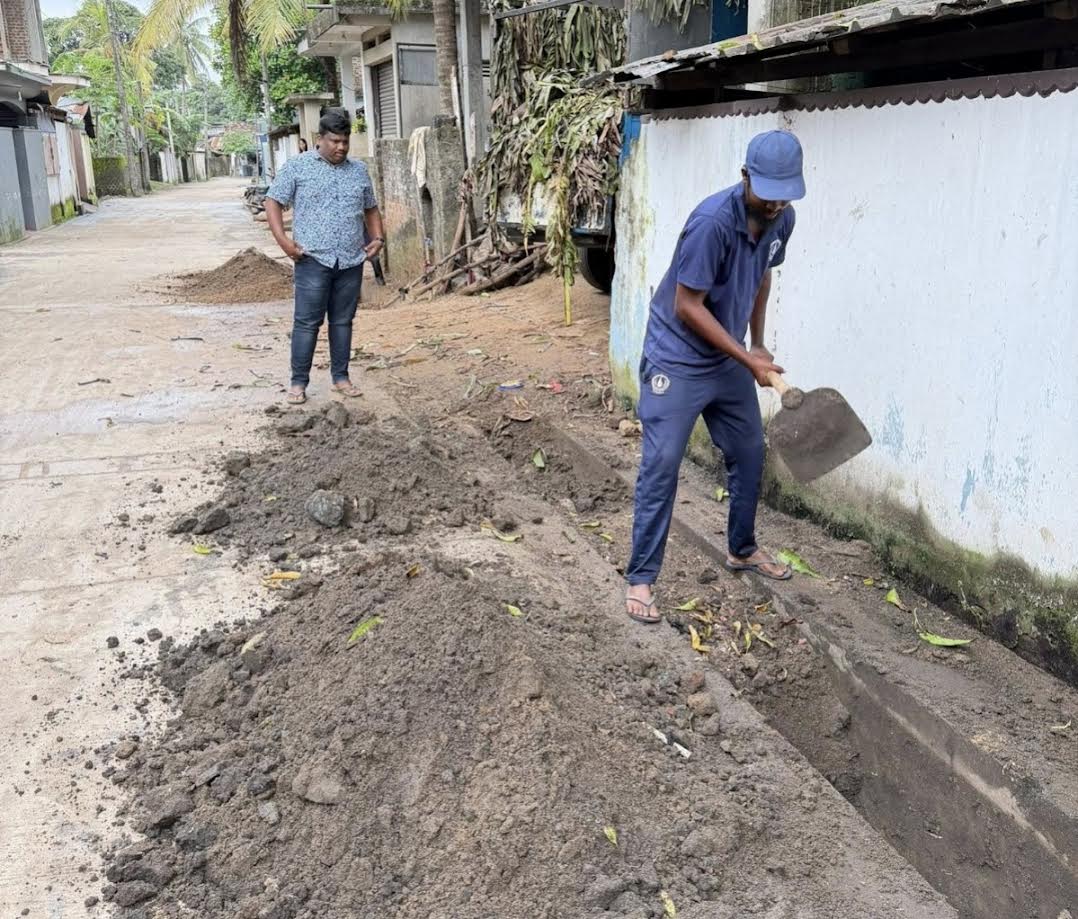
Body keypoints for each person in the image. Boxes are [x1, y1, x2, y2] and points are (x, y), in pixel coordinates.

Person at [624, 130, 806, 624]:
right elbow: (687, 306)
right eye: (766, 192)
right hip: (677, 356)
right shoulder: (711, 223)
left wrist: (758, 342)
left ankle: (742, 548)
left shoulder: (781, 219)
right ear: (745, 177)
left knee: (749, 451)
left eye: (783, 194)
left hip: (728, 356)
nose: (774, 205)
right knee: (662, 462)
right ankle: (641, 579)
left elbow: (764, 272)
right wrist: (749, 361)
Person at [264, 108, 385, 404]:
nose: (341, 147)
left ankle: (341, 377)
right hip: (312, 260)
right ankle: (298, 383)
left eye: (345, 141)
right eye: (334, 141)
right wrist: (284, 243)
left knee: (343, 321)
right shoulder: (298, 168)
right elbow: (273, 201)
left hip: (350, 261)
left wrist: (378, 237)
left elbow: (370, 207)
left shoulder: (358, 170)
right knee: (307, 322)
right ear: (320, 139)